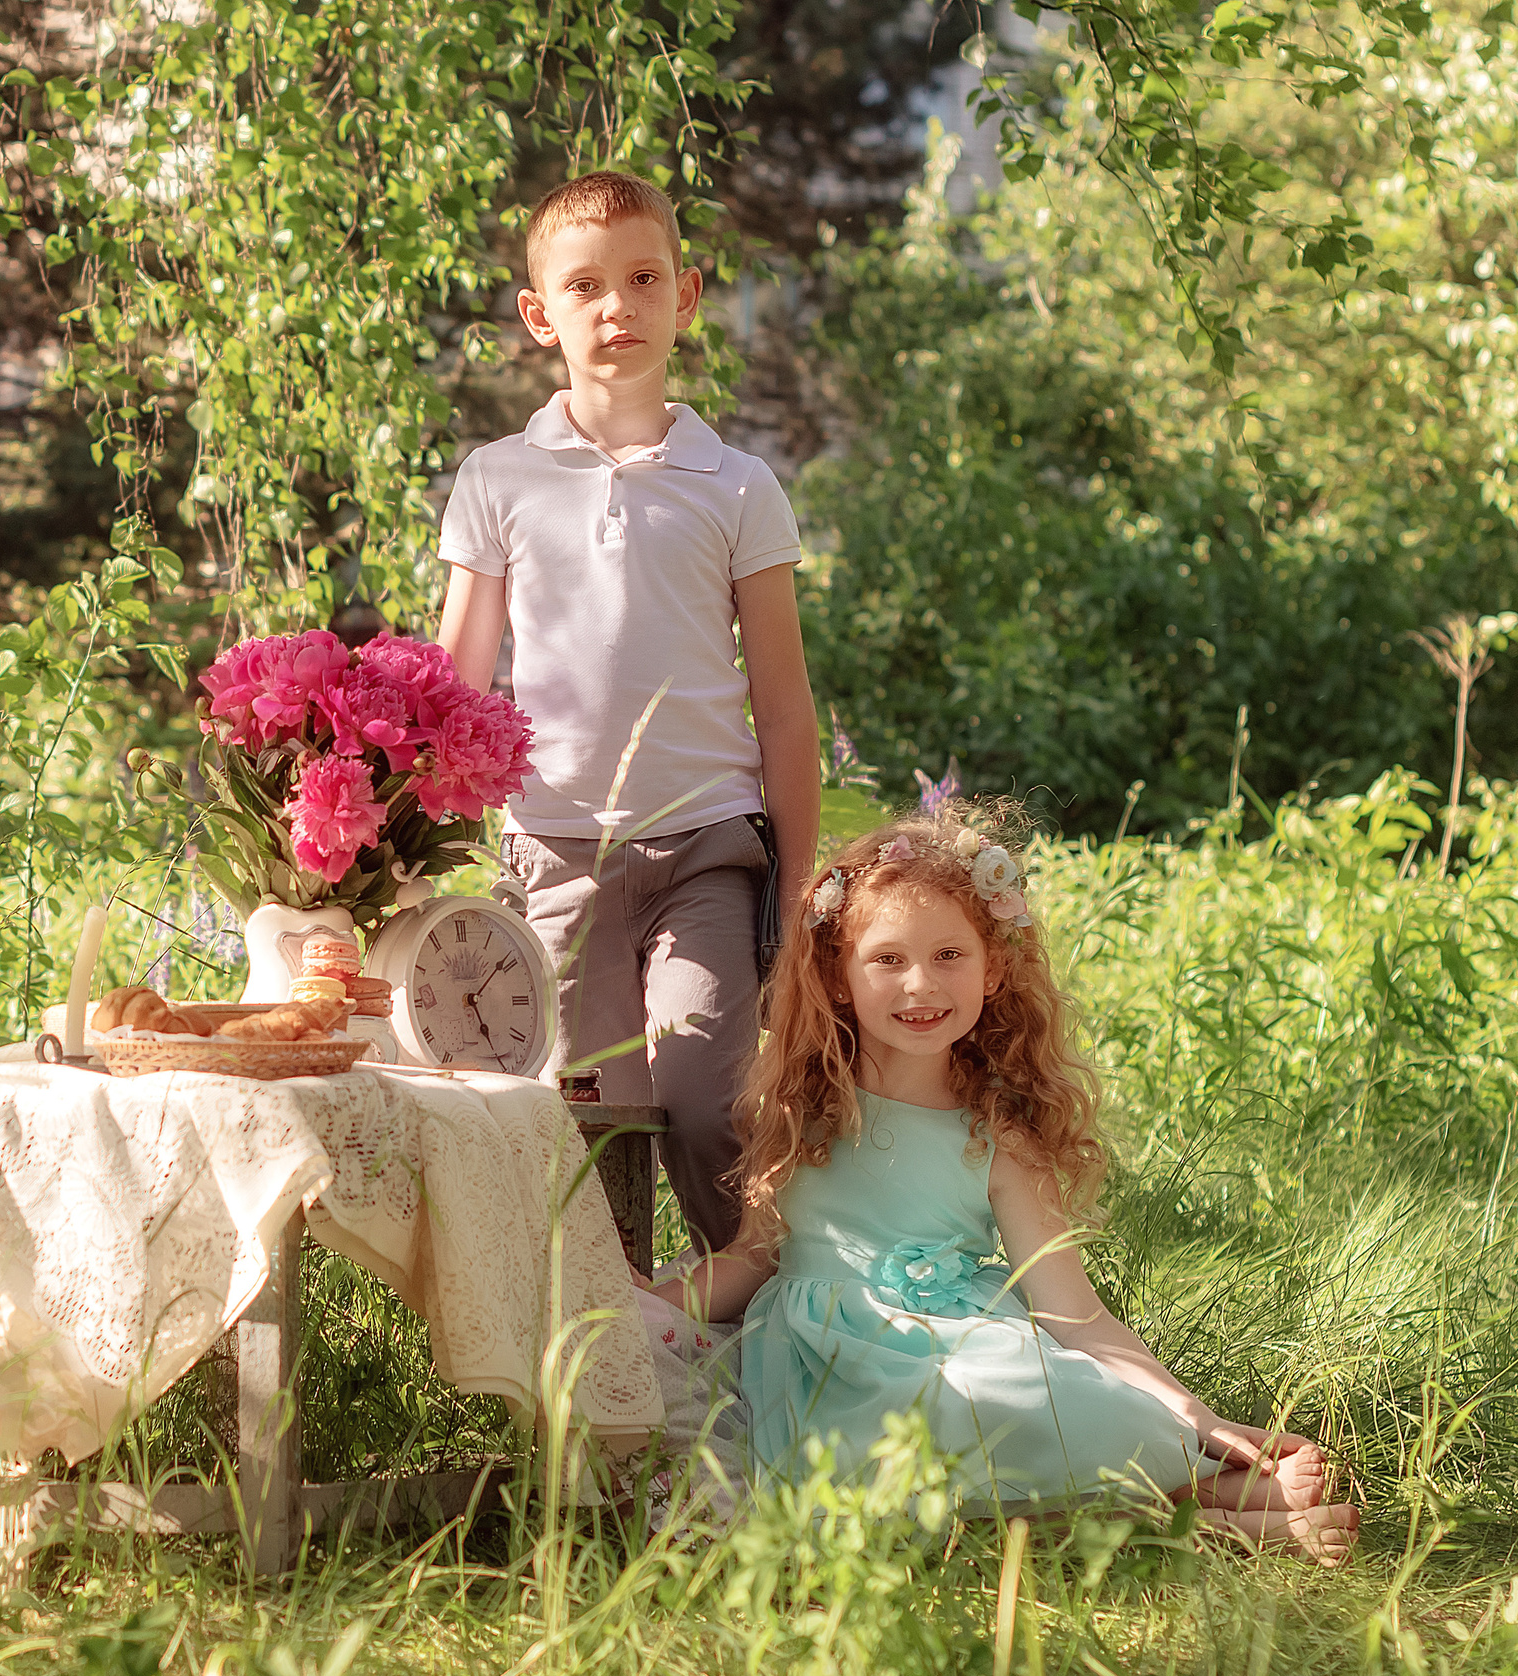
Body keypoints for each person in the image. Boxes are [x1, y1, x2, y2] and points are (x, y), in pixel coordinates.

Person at [660, 803, 1357, 1560]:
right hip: (831, 1368)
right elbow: (753, 1257)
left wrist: (1197, 1415)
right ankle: (1224, 1519)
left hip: (968, 1343)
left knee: (1046, 1403)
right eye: (887, 958)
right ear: (836, 974)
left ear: (993, 969)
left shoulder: (997, 1139)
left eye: (949, 955)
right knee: (920, 1438)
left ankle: (1210, 1491)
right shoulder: (799, 1112)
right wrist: (640, 1301)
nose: (920, 983)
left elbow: (1075, 1317)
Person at [435, 169, 820, 1254]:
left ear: (686, 297)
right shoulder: (499, 479)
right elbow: (454, 688)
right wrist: (407, 845)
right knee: (584, 1124)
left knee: (710, 1102)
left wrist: (794, 893)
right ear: (537, 314)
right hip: (558, 851)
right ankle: (613, 1379)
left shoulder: (736, 485)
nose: (617, 306)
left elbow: (784, 708)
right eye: (585, 286)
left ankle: (751, 1344)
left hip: (707, 850)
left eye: (644, 279)